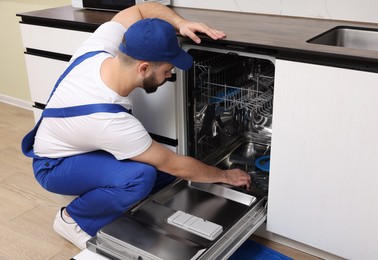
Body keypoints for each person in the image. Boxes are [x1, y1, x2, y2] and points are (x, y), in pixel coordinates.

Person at [21, 2, 251, 250]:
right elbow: (174, 163)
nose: (170, 75)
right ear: (143, 68)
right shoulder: (109, 121)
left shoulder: (99, 49)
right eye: (167, 70)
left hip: (79, 144)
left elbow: (140, 9)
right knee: (141, 176)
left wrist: (181, 23)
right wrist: (225, 175)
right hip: (53, 166)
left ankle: (114, 198)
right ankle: (72, 219)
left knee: (159, 171)